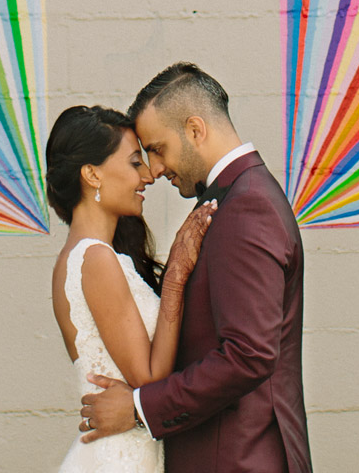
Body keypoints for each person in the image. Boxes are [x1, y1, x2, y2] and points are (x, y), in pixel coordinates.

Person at [78, 64, 311, 473]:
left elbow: (249, 355)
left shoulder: (247, 206)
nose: (155, 169)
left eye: (158, 148)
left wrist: (137, 408)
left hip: (239, 460)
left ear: (195, 130)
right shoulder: (236, 198)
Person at [47, 104, 217, 473]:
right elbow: (149, 379)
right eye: (134, 163)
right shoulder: (96, 260)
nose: (148, 176)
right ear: (92, 174)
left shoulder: (83, 257)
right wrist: (175, 277)